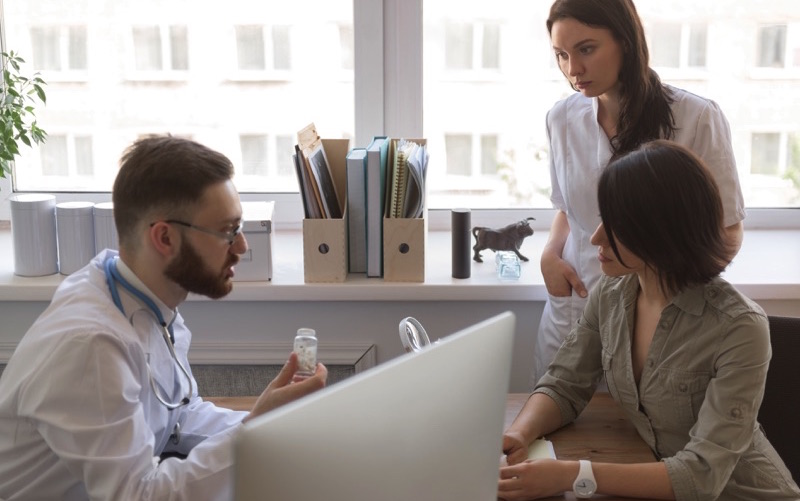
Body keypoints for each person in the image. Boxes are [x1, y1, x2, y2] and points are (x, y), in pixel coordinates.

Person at [0, 135, 328, 500]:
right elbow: (138, 495)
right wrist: (250, 430)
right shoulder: (90, 345)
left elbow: (179, 418)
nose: (241, 247)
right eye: (227, 231)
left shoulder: (138, 295)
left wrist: (267, 422)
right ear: (165, 238)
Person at [498, 140, 800, 500]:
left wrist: (572, 474)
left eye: (616, 225)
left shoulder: (740, 328)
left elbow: (701, 476)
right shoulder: (612, 294)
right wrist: (518, 435)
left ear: (660, 230)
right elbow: (565, 382)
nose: (596, 237)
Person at [533, 0, 746, 385]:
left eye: (586, 49)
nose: (572, 70)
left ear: (626, 42)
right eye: (561, 55)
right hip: (574, 311)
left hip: (659, 325)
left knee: (648, 439)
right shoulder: (561, 118)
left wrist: (662, 292)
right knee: (554, 434)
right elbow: (569, 209)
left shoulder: (695, 118)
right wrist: (550, 254)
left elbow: (727, 232)